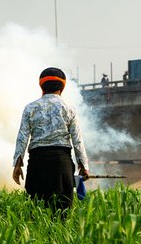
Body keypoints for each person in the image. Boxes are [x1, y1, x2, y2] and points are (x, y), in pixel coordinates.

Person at [13, 67, 89, 215]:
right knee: (62, 210)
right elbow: (77, 141)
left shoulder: (30, 108)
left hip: (37, 161)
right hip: (62, 162)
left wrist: (17, 164)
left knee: (36, 208)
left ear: (41, 85)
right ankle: (58, 237)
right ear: (63, 87)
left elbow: (22, 137)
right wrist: (83, 166)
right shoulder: (69, 108)